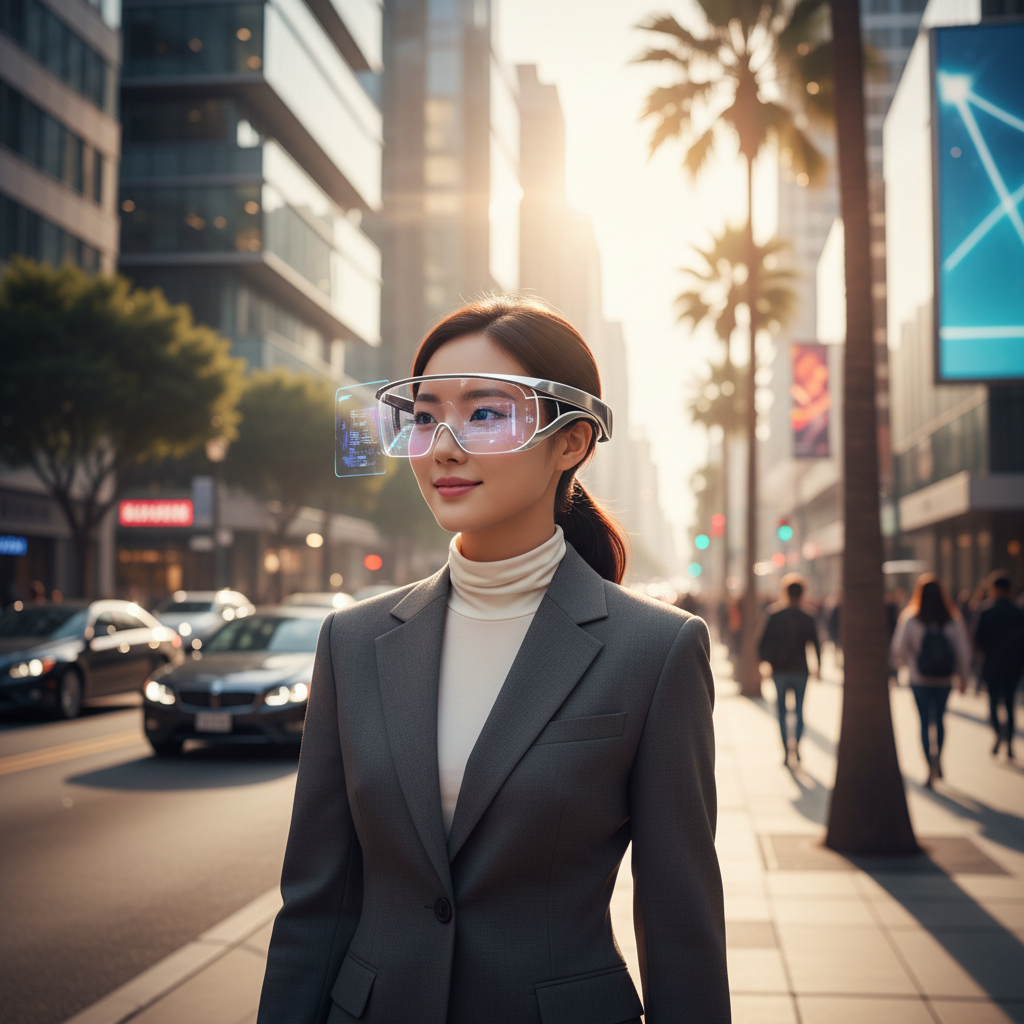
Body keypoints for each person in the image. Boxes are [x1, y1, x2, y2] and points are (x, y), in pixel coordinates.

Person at [257, 297, 730, 1024]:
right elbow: (315, 907)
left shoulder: (655, 651)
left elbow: (681, 927)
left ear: (570, 442)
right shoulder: (350, 642)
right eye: (424, 416)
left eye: (484, 413)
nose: (444, 446)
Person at [891, 574, 972, 786]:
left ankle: (929, 765)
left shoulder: (911, 618)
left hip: (919, 679)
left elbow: (898, 648)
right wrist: (963, 678)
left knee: (924, 722)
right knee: (940, 719)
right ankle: (939, 758)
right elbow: (963, 652)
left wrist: (908, 664)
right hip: (944, 680)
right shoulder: (952, 619)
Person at [757, 574, 821, 765]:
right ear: (803, 593)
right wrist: (819, 667)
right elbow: (816, 644)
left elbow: (761, 643)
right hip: (800, 670)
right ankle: (797, 745)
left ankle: (786, 750)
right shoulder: (808, 616)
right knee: (799, 710)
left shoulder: (774, 614)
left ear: (784, 592)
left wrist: (766, 663)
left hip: (779, 670)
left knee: (782, 712)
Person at [974, 574, 1024, 759]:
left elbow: (977, 640)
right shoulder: (1018, 612)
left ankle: (998, 735)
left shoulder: (986, 611)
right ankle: (1009, 741)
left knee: (994, 704)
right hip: (1013, 666)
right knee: (1010, 705)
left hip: (992, 665)